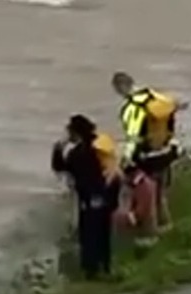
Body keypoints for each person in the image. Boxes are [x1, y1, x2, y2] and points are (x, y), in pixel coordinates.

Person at [112, 71, 186, 235]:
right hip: (166, 152)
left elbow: (133, 138)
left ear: (121, 88)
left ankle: (152, 234)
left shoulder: (132, 108)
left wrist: (126, 159)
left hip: (148, 159)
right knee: (161, 195)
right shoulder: (156, 96)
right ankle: (168, 227)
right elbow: (177, 104)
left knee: (148, 196)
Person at [51, 114, 122, 280]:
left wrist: (59, 147)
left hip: (89, 201)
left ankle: (92, 273)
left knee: (89, 237)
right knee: (103, 236)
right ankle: (106, 268)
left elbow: (61, 168)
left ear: (75, 133)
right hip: (107, 198)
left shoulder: (78, 154)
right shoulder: (101, 145)